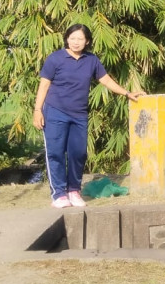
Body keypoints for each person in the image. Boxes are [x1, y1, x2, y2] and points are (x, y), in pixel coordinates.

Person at [33, 24, 141, 208]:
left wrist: (126, 93)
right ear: (67, 39)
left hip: (79, 114)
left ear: (87, 41)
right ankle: (59, 194)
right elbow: (44, 85)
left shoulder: (91, 60)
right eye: (72, 38)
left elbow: (105, 80)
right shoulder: (56, 58)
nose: (76, 42)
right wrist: (37, 111)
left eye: (80, 39)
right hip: (55, 111)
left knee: (78, 153)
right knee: (56, 153)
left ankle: (74, 191)